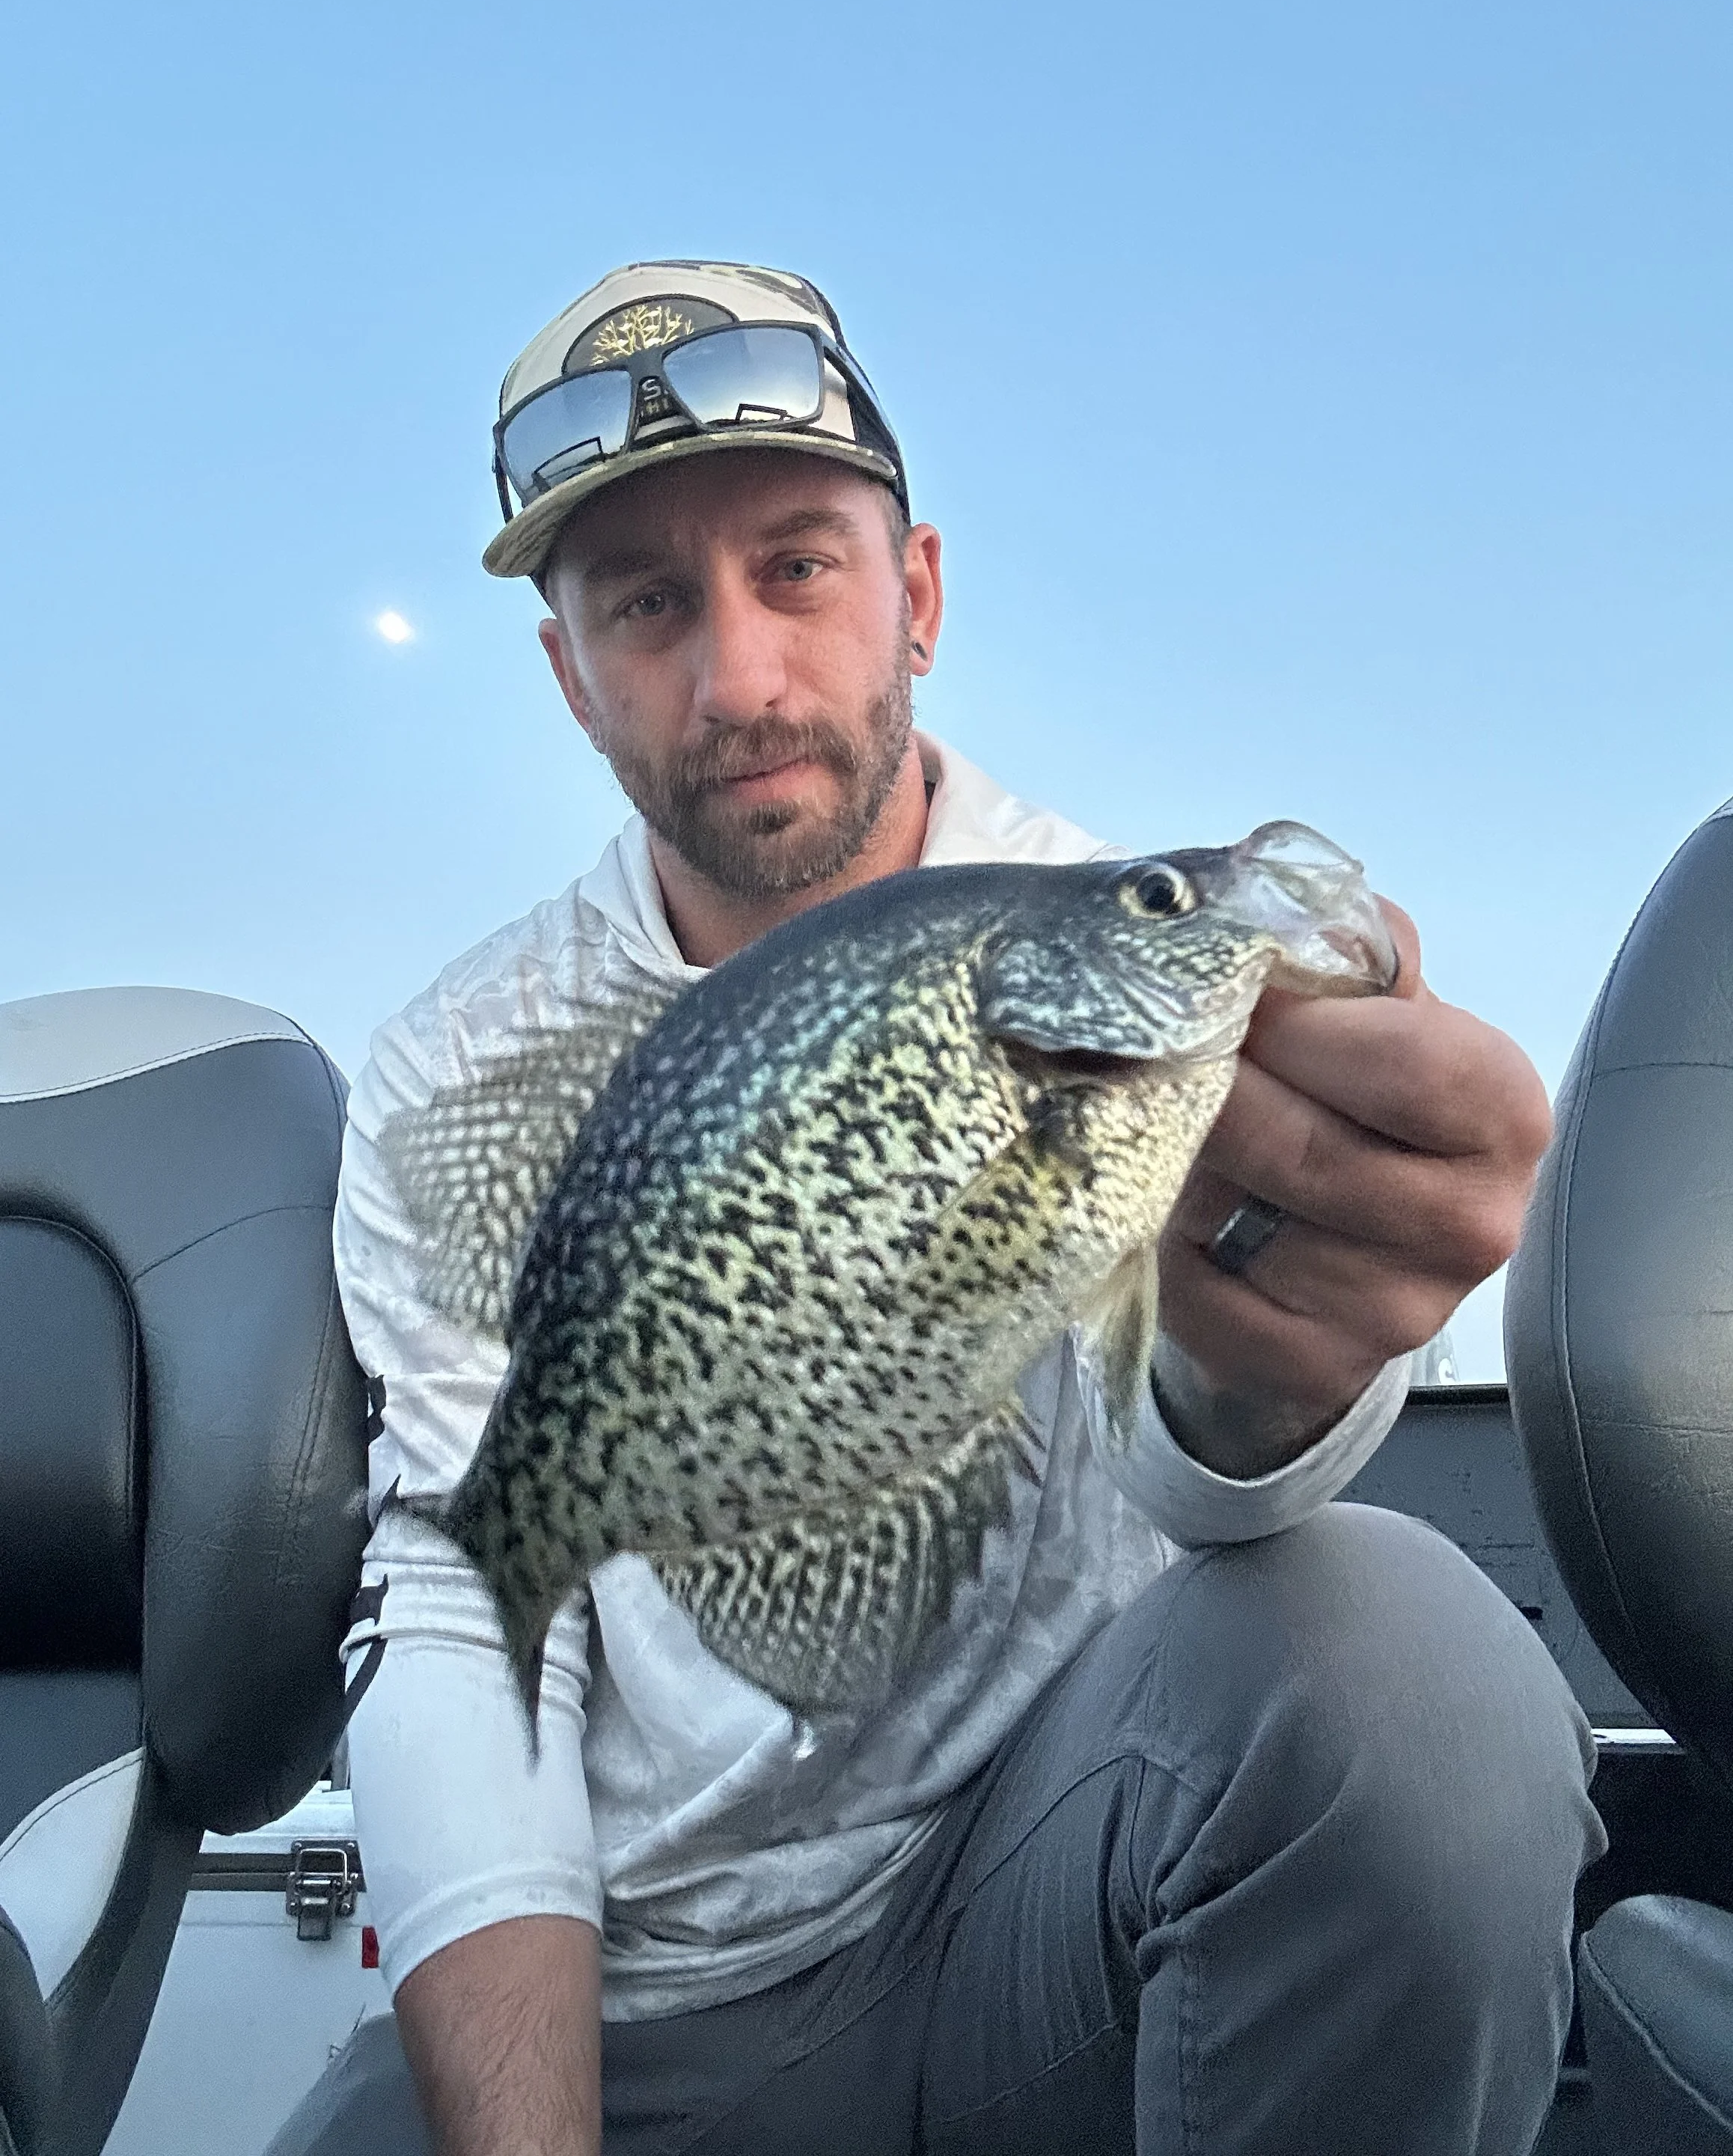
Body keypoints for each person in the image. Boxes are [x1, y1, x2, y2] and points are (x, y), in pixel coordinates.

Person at [273, 260, 1602, 2156]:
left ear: (921, 595)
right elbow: (472, 1608)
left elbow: (1207, 1474)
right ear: (568, 671)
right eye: (649, 602)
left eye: (799, 564)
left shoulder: (1106, 926)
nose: (741, 678)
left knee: (1417, 1669)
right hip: (638, 1983)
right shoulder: (467, 1065)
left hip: (1044, 1915)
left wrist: (1267, 1377)